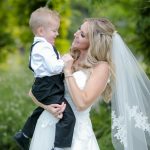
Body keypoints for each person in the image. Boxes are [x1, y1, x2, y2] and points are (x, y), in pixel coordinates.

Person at [29, 17, 150, 150]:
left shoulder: (101, 68)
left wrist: (68, 71)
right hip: (46, 127)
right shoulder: (68, 58)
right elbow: (33, 91)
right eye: (78, 30)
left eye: (82, 34)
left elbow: (82, 103)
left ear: (94, 42)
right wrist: (47, 107)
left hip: (76, 134)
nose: (75, 34)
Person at [13, 7, 76, 150]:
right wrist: (65, 62)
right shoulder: (43, 48)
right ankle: (59, 147)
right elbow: (54, 67)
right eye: (54, 30)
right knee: (67, 117)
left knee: (41, 110)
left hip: (45, 86)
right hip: (49, 87)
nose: (57, 33)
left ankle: (24, 134)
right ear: (41, 31)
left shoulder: (41, 46)